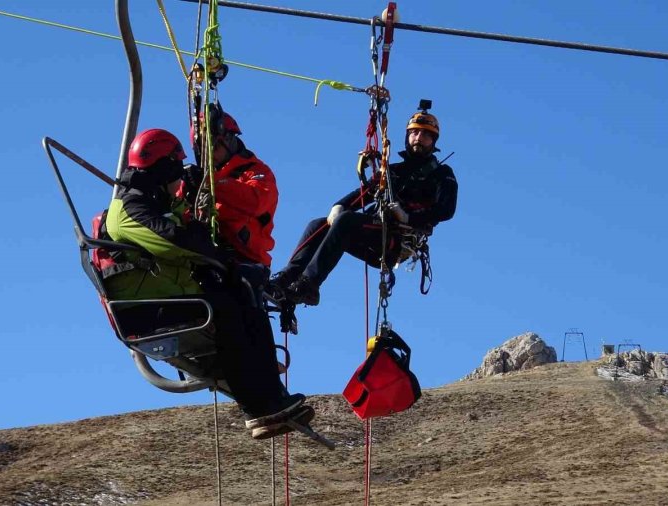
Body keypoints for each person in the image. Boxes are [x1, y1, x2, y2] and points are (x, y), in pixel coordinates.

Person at [103, 128, 311, 439]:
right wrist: (219, 258)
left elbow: (181, 228)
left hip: (164, 297)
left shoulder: (150, 200)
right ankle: (257, 406)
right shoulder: (130, 208)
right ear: (163, 168)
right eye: (175, 167)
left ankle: (269, 395)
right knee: (228, 306)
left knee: (243, 296)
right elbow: (172, 241)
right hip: (145, 308)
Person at [270, 103, 458, 306]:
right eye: (414, 133)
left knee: (346, 221)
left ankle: (308, 284)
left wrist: (408, 217)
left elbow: (445, 210)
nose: (419, 138)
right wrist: (339, 205)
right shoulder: (393, 171)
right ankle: (286, 280)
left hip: (396, 239)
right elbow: (365, 194)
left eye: (426, 135)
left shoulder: (441, 174)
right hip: (372, 230)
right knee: (318, 225)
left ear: (433, 141)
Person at [181, 106, 278, 302]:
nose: (212, 152)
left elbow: (256, 200)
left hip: (247, 261)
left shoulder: (256, 171)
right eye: (207, 148)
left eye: (216, 145)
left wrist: (212, 183)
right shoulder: (196, 181)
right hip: (207, 257)